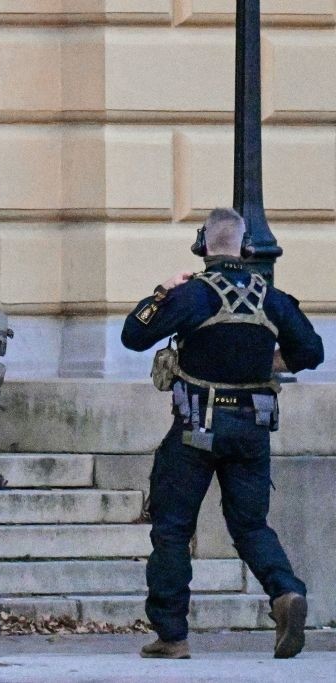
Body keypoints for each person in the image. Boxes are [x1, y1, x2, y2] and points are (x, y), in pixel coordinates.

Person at [121, 208, 323, 660]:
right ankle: (285, 593)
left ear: (202, 245)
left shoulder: (193, 295)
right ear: (247, 247)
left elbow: (133, 336)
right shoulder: (272, 298)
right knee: (251, 525)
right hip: (252, 431)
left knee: (172, 530)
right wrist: (266, 361)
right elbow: (311, 351)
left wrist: (161, 292)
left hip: (196, 429)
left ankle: (172, 635)